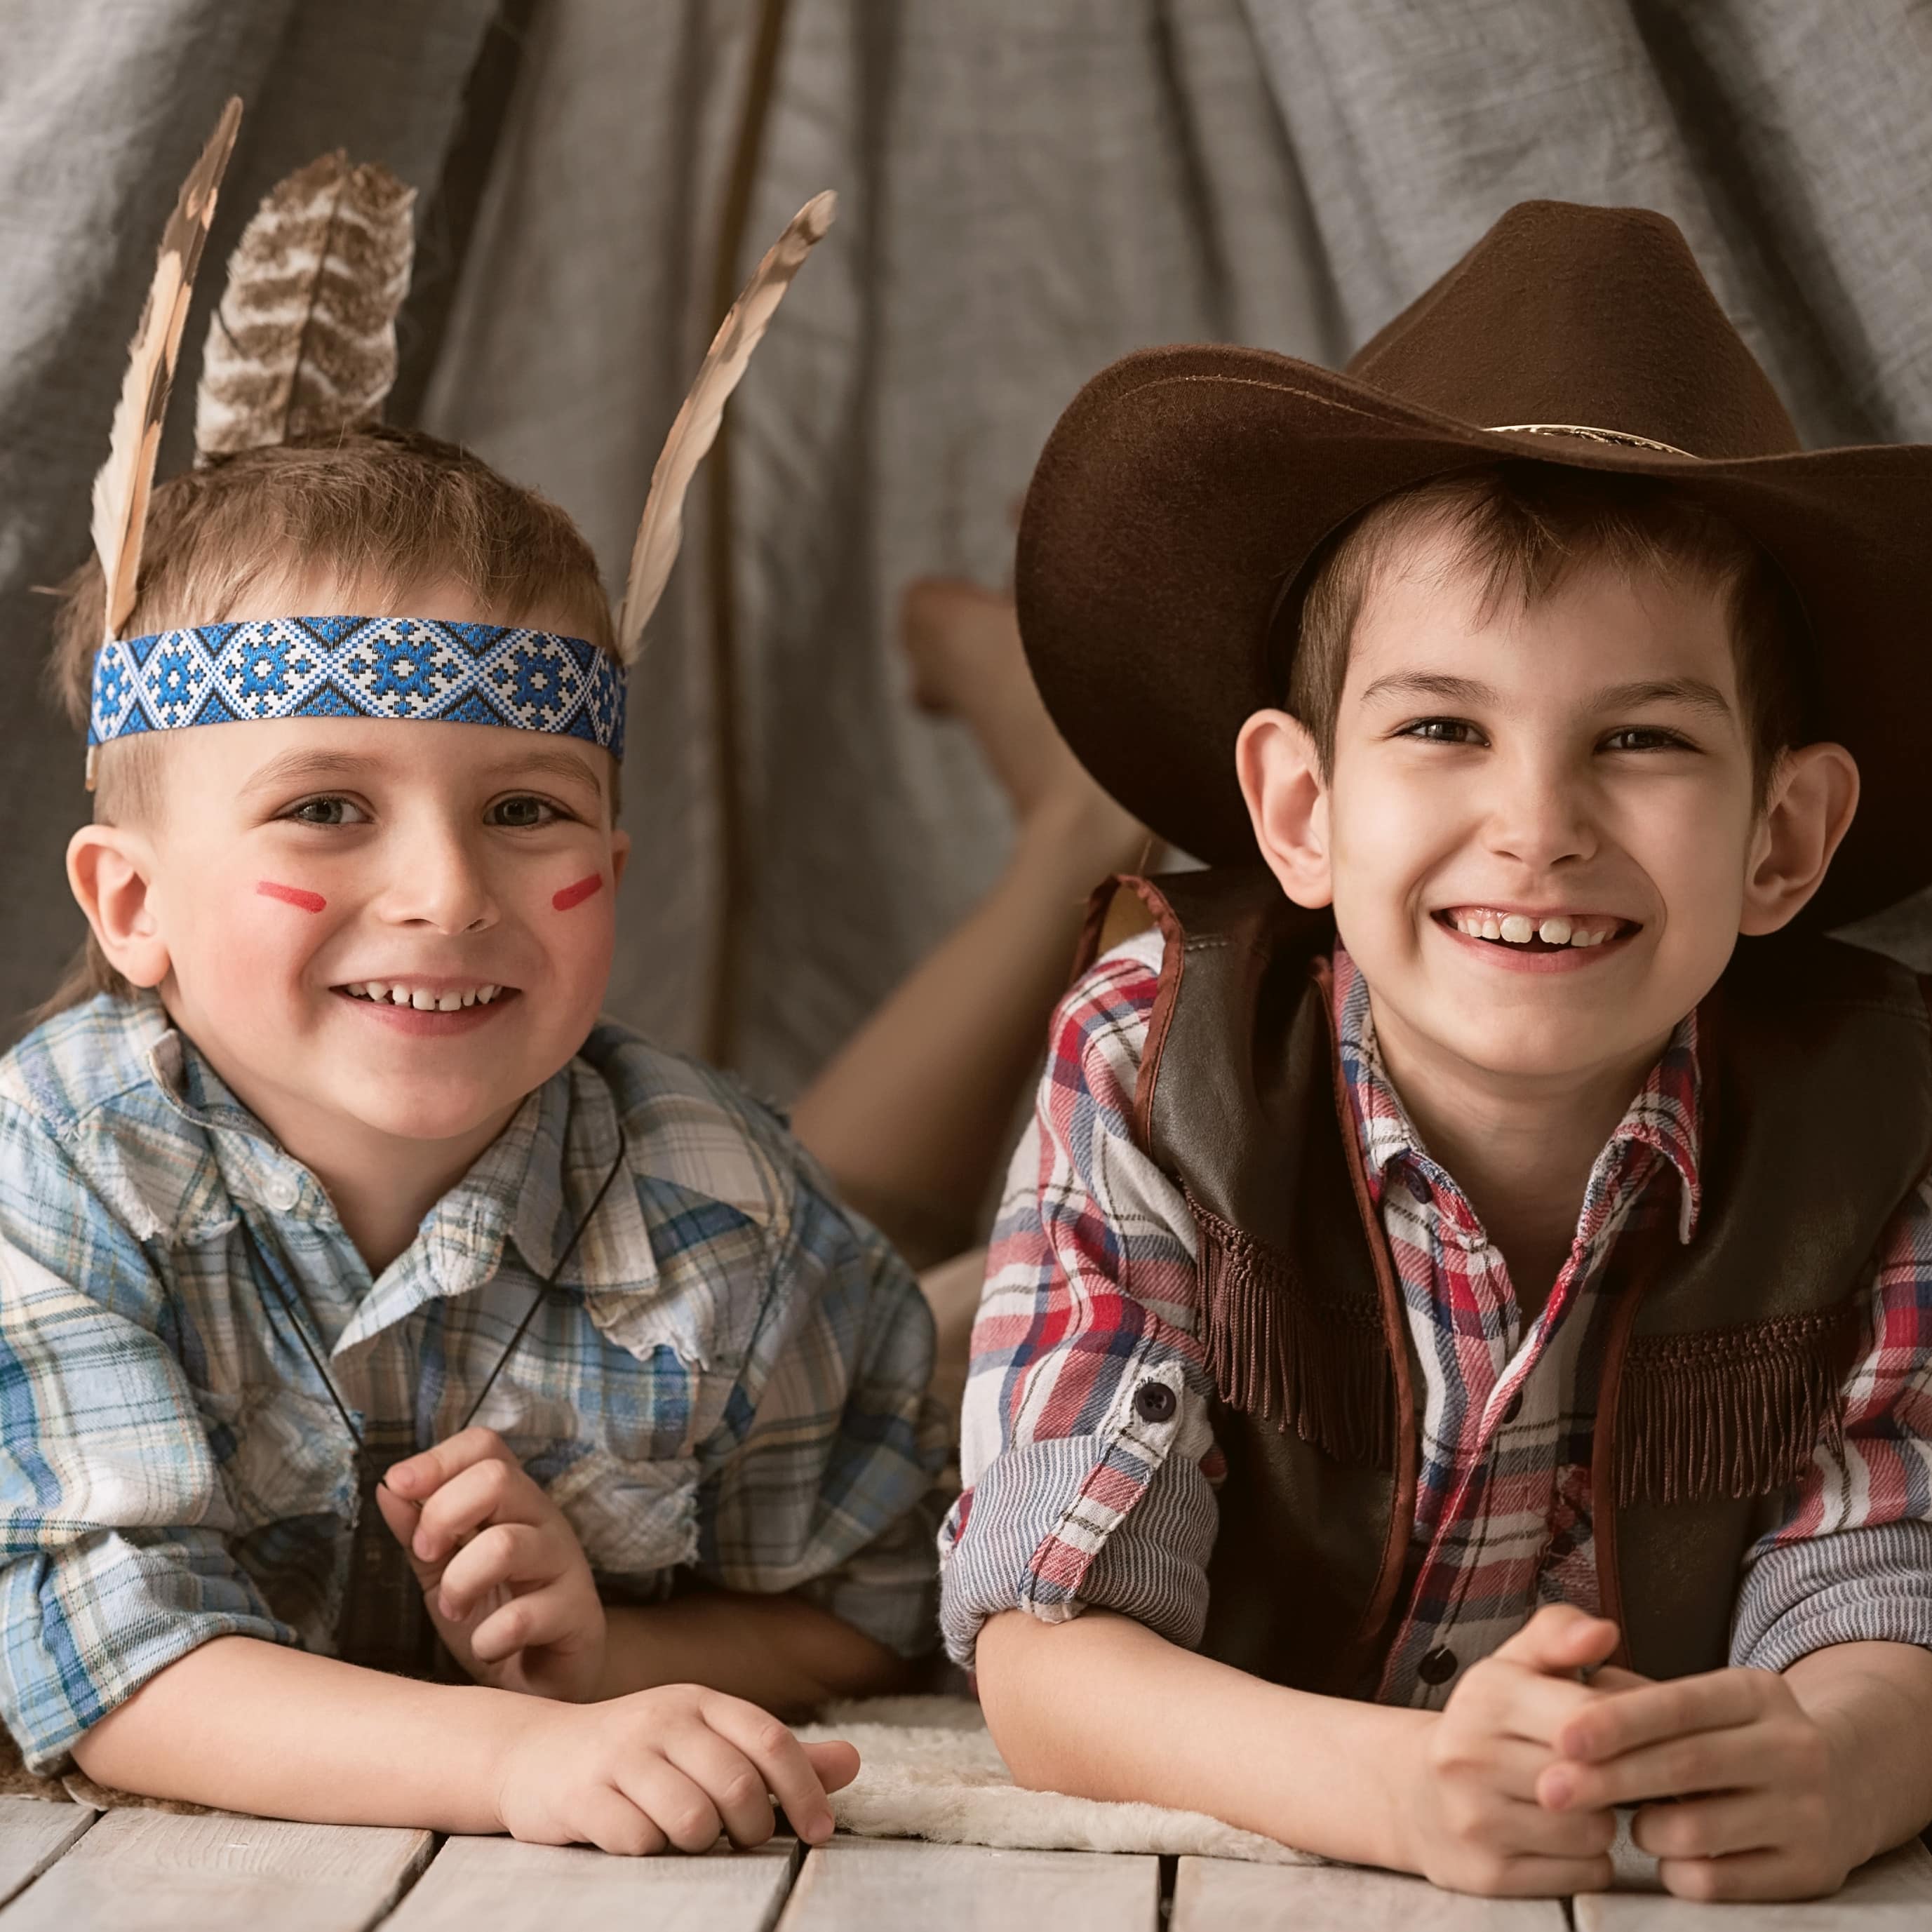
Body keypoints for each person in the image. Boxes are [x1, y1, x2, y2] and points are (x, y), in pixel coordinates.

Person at [939, 201, 1932, 1901]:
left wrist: (1843, 1752)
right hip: (1190, 1656)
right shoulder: (1154, 1056)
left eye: (1638, 739)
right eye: (1443, 728)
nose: (1534, 826)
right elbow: (1046, 1656)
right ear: (1303, 810)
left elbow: (1886, 1572)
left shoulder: (1885, 1114)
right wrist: (1398, 1786)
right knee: (890, 1319)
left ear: (1784, 838)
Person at [0, 429, 947, 1850]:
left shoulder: (729, 1211)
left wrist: (607, 1666)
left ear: (612, 869)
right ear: (132, 905)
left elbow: (875, 1613)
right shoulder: (52, 1167)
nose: (446, 893)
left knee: (943, 1280)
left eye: (524, 809)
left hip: (839, 1283)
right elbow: (104, 1663)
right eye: (326, 809)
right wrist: (514, 1758)